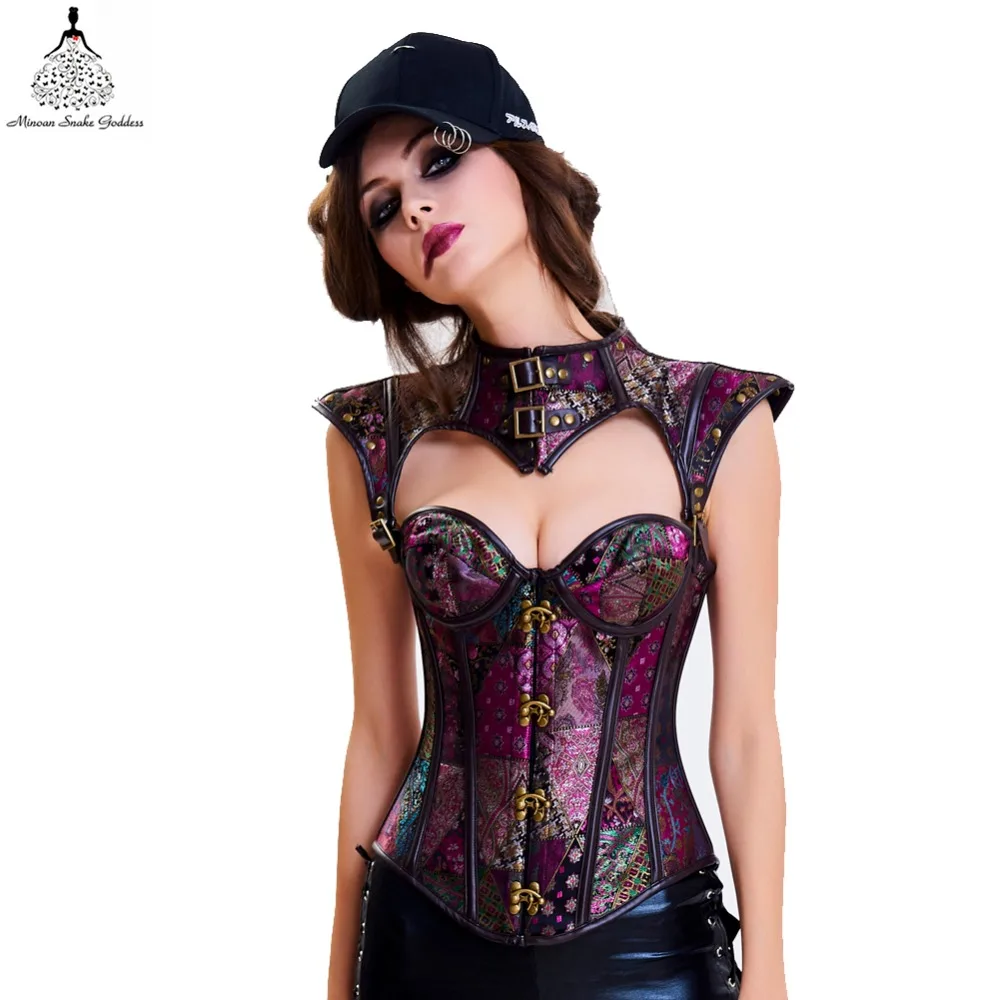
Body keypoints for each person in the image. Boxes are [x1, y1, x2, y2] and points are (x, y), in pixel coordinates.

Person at [308, 31, 794, 1000]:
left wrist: (771, 970)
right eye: (382, 207)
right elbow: (379, 730)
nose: (414, 207)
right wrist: (334, 978)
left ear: (522, 158)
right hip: (420, 937)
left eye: (439, 158)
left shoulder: (712, 420)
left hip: (654, 938)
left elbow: (743, 732)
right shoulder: (376, 437)